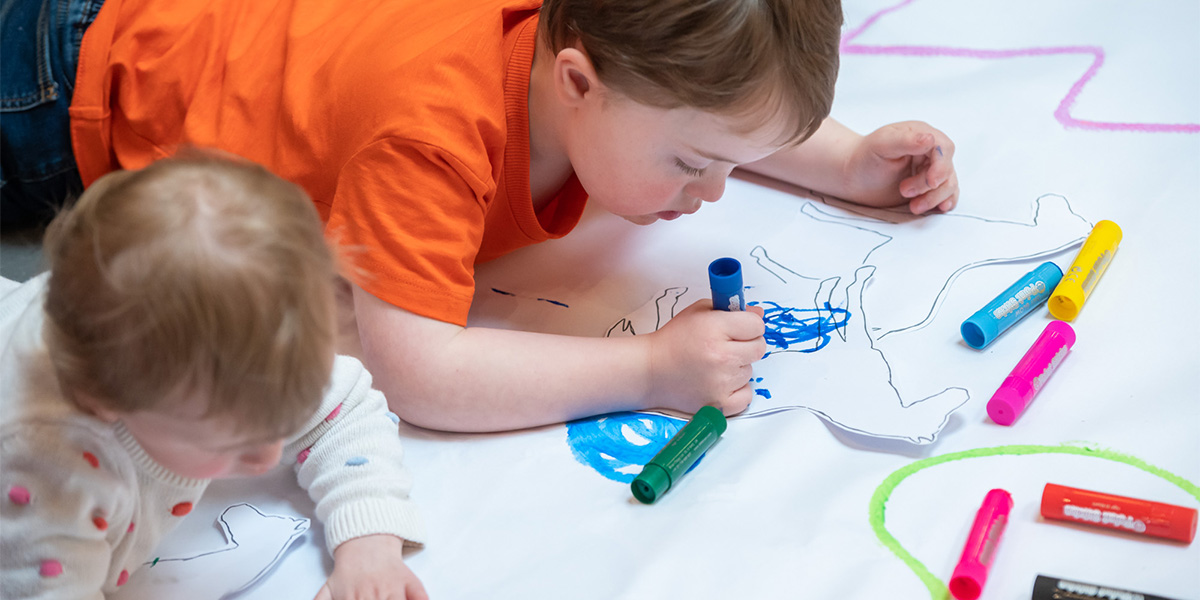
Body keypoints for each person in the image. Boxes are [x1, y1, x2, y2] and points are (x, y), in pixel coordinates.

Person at [0, 0, 960, 433]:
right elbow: (412, 366)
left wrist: (843, 163)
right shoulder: (433, 133)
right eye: (694, 166)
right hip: (58, 96)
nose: (711, 193)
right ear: (580, 85)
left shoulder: (589, 40)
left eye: (732, 165)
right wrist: (648, 366)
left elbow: (704, 100)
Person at [0, 154, 427, 599]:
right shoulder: (44, 467)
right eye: (233, 444)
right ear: (106, 400)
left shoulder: (248, 357)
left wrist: (368, 546)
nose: (269, 456)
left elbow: (344, 412)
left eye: (283, 421)